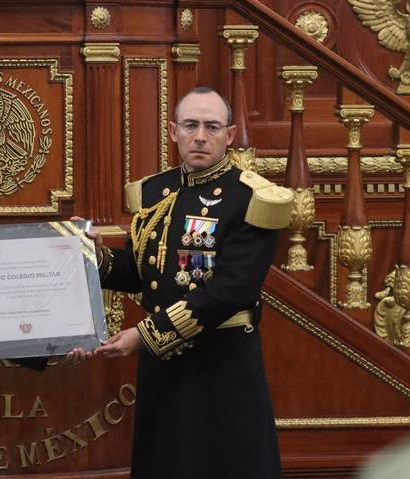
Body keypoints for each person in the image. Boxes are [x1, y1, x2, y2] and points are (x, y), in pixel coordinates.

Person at [89, 86, 294, 478]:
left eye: (212, 126)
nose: (201, 136)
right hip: (165, 372)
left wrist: (146, 335)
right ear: (173, 131)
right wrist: (93, 257)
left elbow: (232, 290)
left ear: (229, 135)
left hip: (223, 367)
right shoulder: (154, 192)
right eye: (191, 125)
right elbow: (139, 273)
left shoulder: (253, 197)